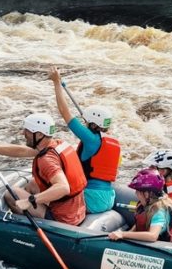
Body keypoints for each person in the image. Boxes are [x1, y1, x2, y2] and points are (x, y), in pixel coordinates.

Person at [0, 112, 87, 226]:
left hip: (63, 219)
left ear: (38, 135)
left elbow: (63, 188)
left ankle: (25, 227)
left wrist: (30, 201)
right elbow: (21, 151)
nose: (23, 133)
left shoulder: (47, 160)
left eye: (27, 130)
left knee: (11, 194)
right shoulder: (58, 145)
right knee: (33, 184)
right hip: (77, 211)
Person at [48, 67, 121, 214]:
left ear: (93, 124)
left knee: (50, 198)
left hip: (92, 198)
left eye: (87, 123)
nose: (85, 124)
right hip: (107, 198)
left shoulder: (91, 140)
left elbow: (64, 112)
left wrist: (56, 83)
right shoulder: (111, 141)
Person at [108, 168, 172, 243]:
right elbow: (139, 223)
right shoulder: (147, 204)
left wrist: (123, 234)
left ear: (147, 194)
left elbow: (153, 236)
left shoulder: (159, 211)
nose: (136, 193)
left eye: (138, 191)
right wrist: (129, 233)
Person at [144, 148, 172, 229]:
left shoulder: (162, 189)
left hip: (164, 230)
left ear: (163, 171)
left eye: (152, 167)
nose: (149, 169)